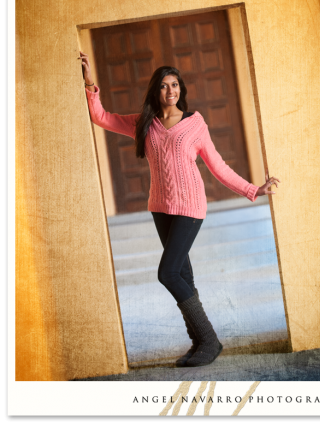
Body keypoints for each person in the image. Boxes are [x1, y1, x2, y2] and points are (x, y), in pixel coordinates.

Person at [79, 51, 281, 368]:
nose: (170, 91)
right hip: (160, 208)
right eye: (164, 85)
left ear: (180, 89)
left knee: (168, 272)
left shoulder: (194, 124)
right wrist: (89, 81)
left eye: (175, 85)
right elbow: (101, 117)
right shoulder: (144, 123)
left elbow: (218, 167)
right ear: (155, 91)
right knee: (184, 275)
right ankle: (199, 343)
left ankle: (210, 340)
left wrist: (253, 189)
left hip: (190, 208)